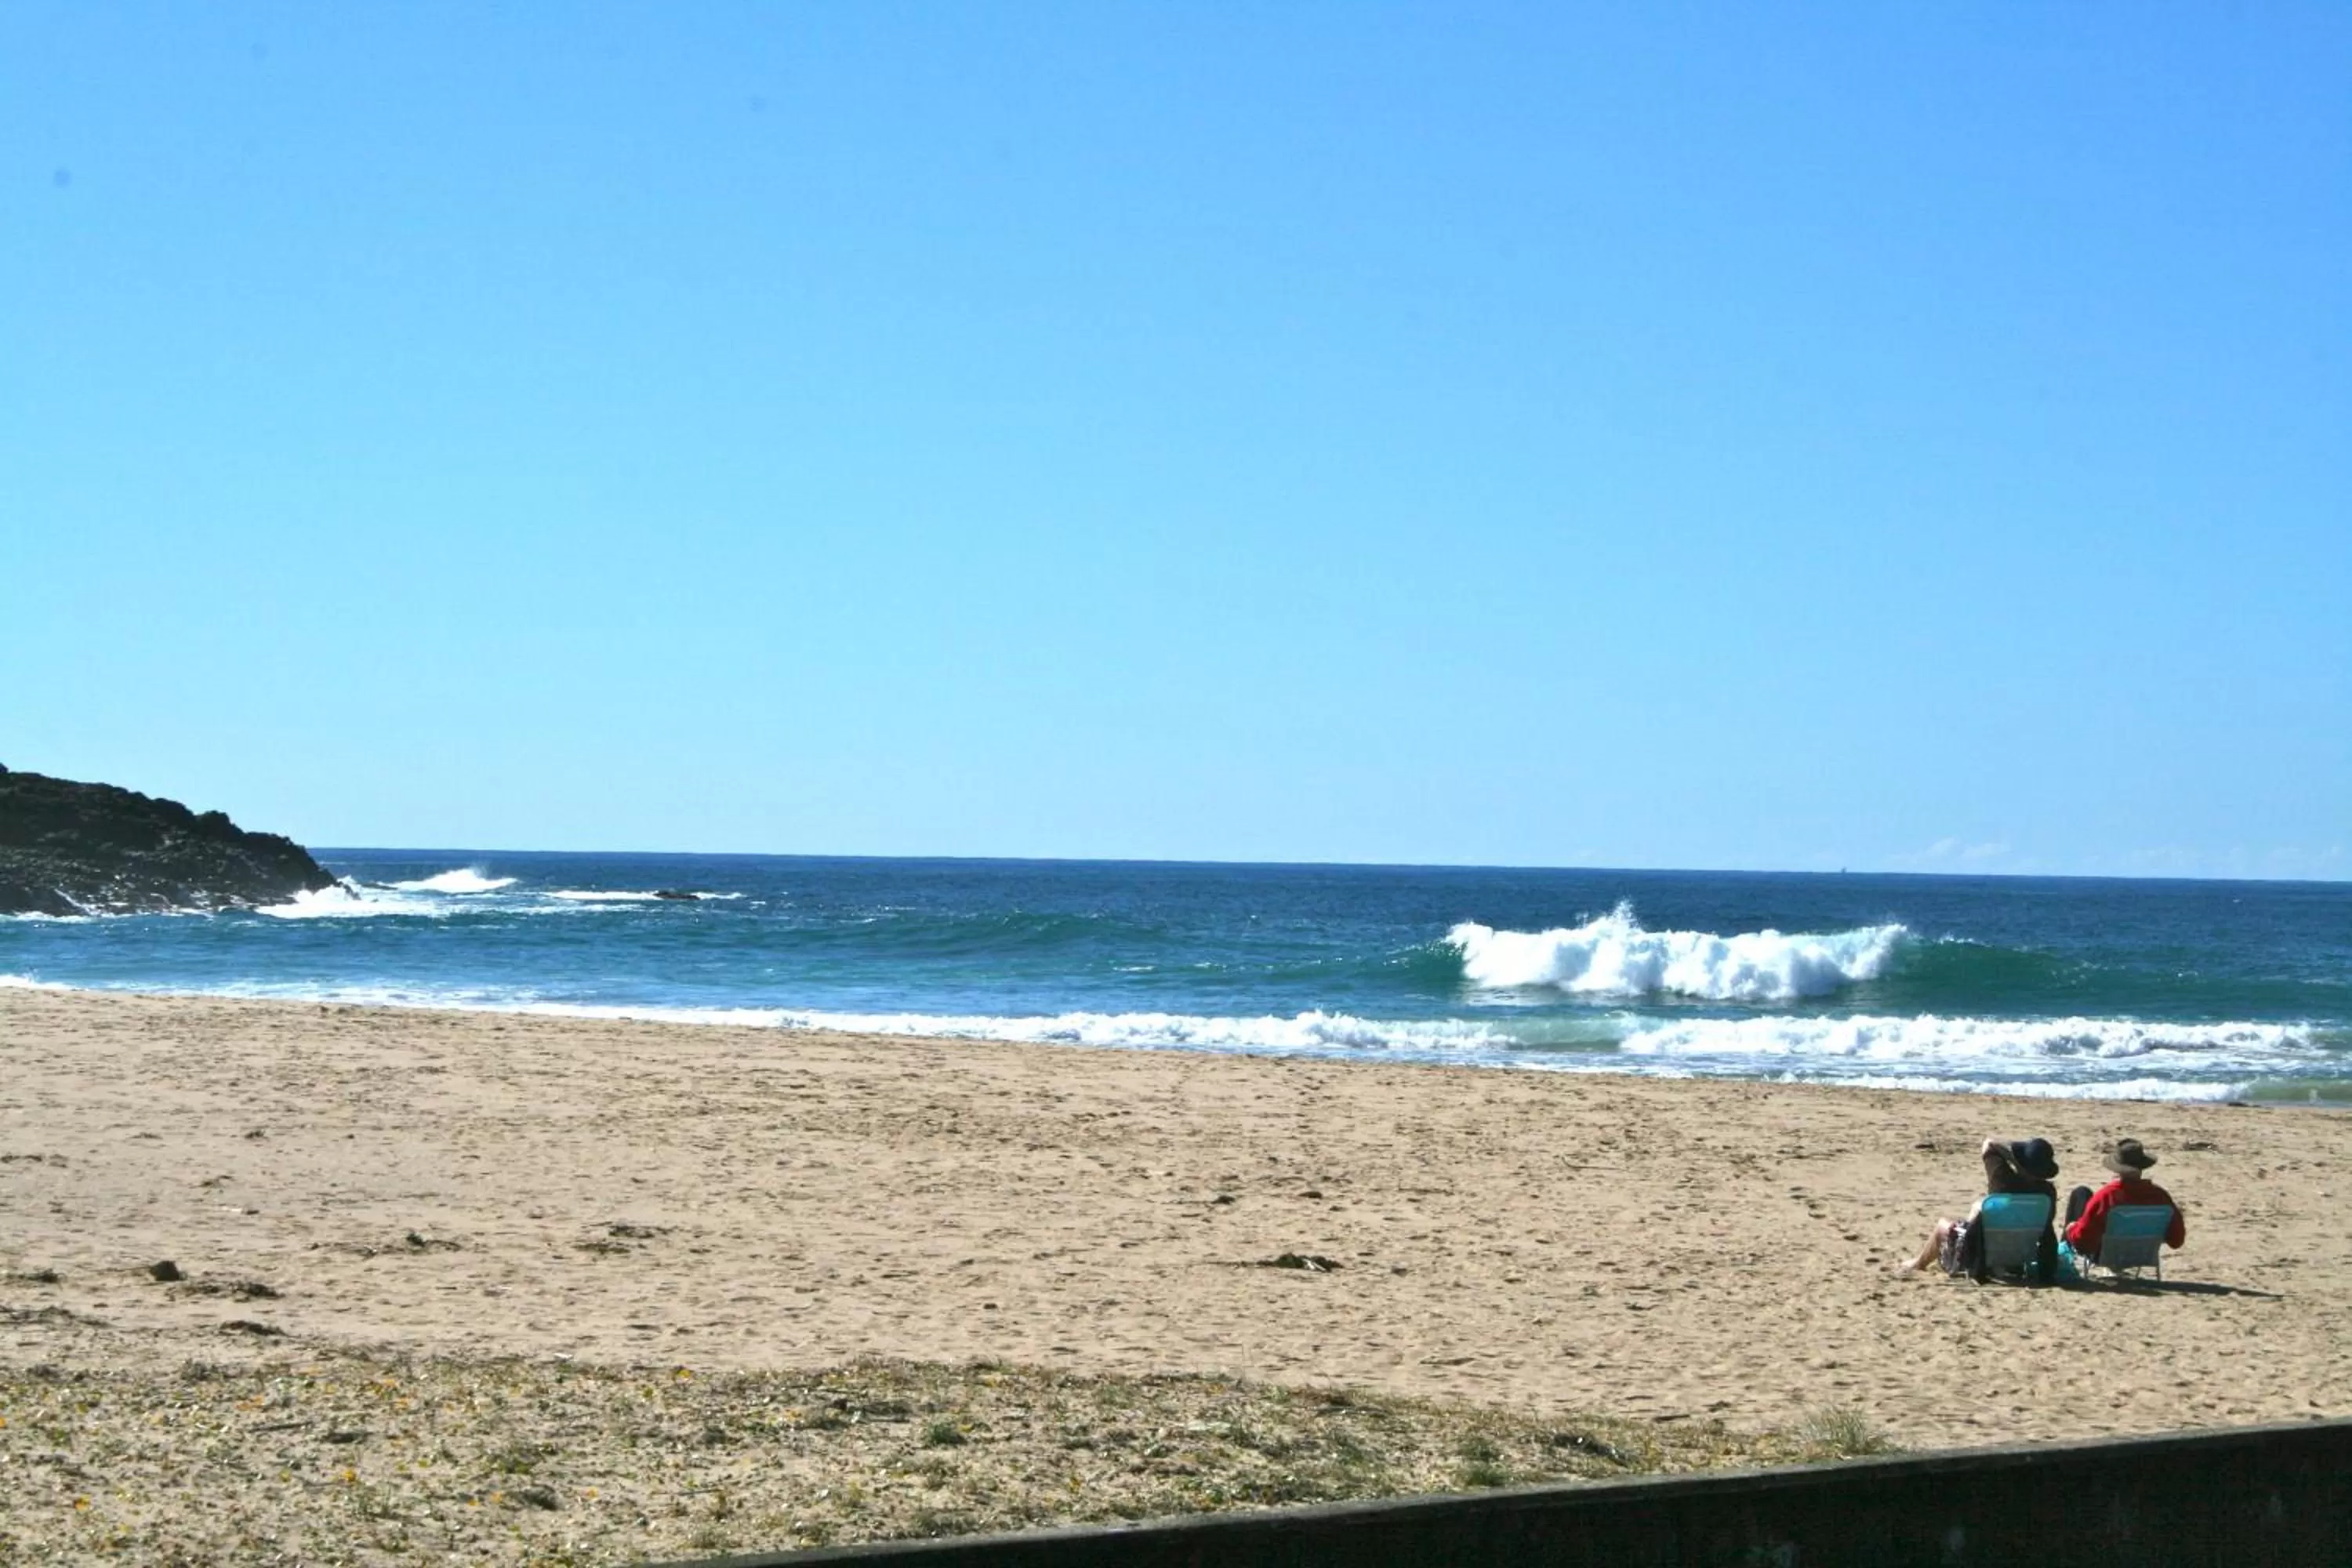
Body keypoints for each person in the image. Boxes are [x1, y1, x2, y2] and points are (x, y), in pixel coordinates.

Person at [1900, 1137, 2061, 1281]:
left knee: (1943, 1224)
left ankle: (1918, 1263)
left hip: (1985, 1251)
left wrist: (2016, 1159)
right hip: (2019, 1254)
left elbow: (1989, 1144)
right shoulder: (2047, 1194)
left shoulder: (2002, 1180)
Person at [2061, 1138, 2185, 1265]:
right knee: (2083, 1194)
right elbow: (2177, 1241)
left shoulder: (2107, 1197)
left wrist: (2072, 1230)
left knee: (2081, 1193)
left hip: (2107, 1256)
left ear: (2118, 1169)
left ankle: (2061, 1259)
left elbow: (2083, 1241)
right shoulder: (2161, 1197)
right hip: (2144, 1255)